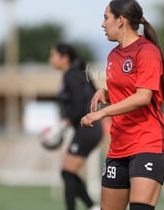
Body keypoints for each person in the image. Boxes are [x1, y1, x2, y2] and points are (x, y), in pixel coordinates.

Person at [80, 0, 164, 210]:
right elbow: (126, 93)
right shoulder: (113, 55)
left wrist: (102, 113)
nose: (103, 24)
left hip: (147, 144)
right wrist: (106, 92)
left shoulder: (147, 51)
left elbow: (143, 97)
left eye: (106, 17)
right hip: (118, 146)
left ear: (120, 20)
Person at [49, 43, 103, 210]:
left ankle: (91, 206)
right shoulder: (74, 74)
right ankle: (92, 206)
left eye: (53, 56)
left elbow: (80, 105)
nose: (50, 60)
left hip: (89, 128)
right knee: (68, 172)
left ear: (64, 58)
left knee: (67, 172)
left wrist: (64, 122)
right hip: (86, 129)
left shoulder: (72, 75)